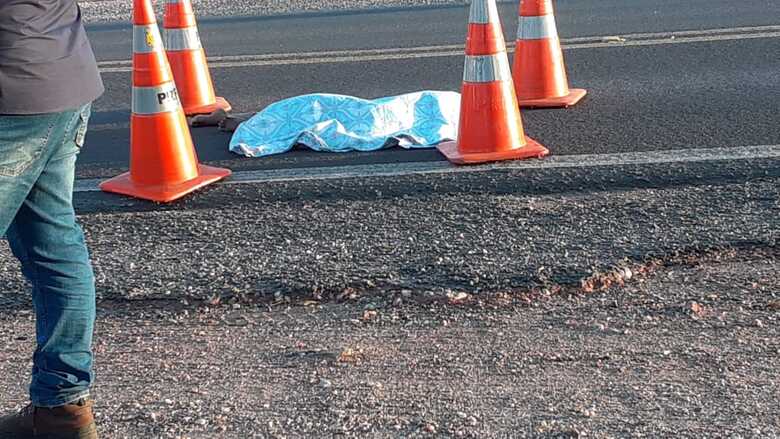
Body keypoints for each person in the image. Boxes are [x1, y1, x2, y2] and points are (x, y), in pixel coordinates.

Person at [0, 0, 103, 437]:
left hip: (12, 96)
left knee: (55, 250)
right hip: (63, 76)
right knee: (54, 250)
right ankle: (61, 409)